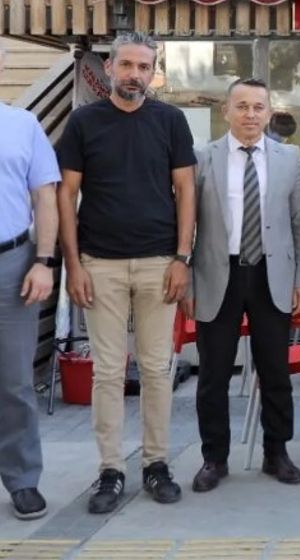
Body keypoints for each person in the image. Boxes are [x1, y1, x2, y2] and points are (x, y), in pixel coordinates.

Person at [56, 31, 196, 512]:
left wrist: (182, 258)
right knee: (108, 371)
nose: (135, 74)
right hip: (100, 263)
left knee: (157, 369)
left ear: (153, 72)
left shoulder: (170, 120)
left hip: (159, 262)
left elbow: (186, 189)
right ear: (111, 67)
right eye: (127, 65)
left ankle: (156, 463)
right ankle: (110, 470)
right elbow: (66, 194)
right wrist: (73, 264)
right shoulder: (83, 122)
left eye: (144, 67)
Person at [183, 79, 300, 491]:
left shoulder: (290, 158)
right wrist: (187, 282)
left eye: (258, 107)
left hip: (272, 276)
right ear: (226, 111)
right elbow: (187, 224)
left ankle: (277, 453)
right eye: (242, 106)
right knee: (213, 374)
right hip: (217, 275)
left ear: (269, 113)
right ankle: (214, 459)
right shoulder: (203, 158)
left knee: (275, 371)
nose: (250, 114)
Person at [0, 50, 60, 520]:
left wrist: (43, 261)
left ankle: (22, 481)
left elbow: (45, 196)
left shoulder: (23, 124)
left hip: (13, 264)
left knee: (15, 380)